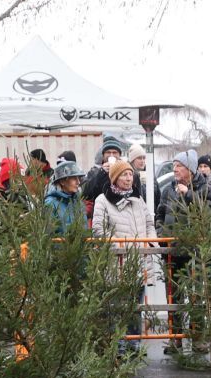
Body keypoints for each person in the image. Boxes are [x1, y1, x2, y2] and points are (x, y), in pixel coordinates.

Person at [91, 158, 157, 345]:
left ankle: (134, 344)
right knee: (118, 307)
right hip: (117, 262)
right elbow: (98, 230)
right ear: (114, 178)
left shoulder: (138, 199)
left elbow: (149, 223)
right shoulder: (102, 200)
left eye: (130, 174)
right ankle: (118, 346)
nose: (129, 178)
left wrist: (150, 243)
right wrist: (116, 246)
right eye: (124, 174)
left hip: (140, 262)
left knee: (136, 306)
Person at [44, 158, 86, 232]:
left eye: (78, 178)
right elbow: (48, 235)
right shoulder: (50, 203)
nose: (78, 182)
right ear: (62, 181)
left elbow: (85, 229)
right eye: (74, 178)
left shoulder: (79, 203)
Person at [80, 136, 125, 205]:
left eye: (115, 152)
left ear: (119, 155)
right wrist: (101, 173)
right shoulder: (95, 172)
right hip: (101, 212)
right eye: (108, 152)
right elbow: (85, 194)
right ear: (103, 155)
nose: (111, 155)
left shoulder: (127, 172)